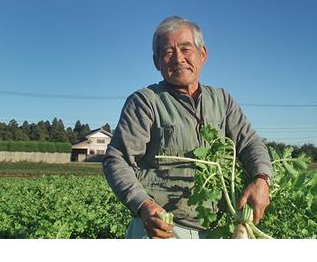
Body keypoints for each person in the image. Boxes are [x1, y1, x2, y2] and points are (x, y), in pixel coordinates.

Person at [102, 16, 273, 239]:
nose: (178, 59)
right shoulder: (145, 102)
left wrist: (262, 179)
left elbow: (250, 143)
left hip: (217, 230)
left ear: (202, 54)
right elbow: (117, 159)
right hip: (163, 230)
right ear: (157, 62)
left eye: (185, 49)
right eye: (167, 52)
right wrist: (143, 204)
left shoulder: (222, 100)